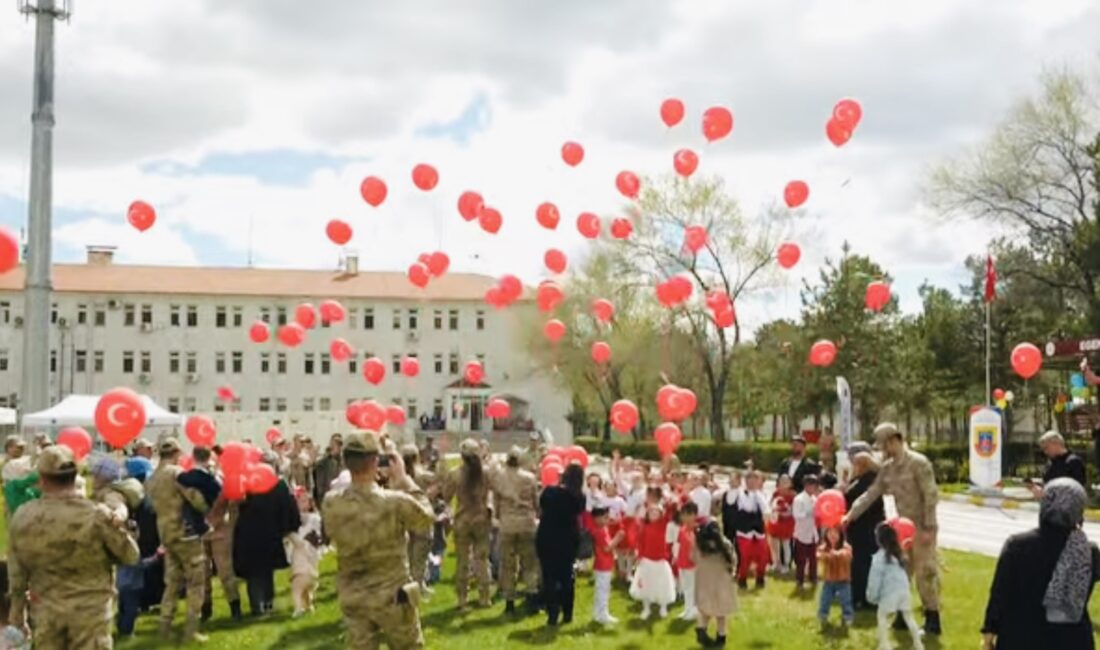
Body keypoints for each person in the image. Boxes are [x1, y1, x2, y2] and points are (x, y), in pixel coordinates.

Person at [8, 445, 140, 647]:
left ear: (41, 478)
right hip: (91, 617)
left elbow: (16, 576)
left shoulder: (23, 516)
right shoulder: (97, 515)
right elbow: (130, 556)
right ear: (76, 475)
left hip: (46, 614)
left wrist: (18, 616)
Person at [323, 431, 435, 649]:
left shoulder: (331, 502)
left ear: (346, 462)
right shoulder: (394, 502)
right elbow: (426, 518)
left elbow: (330, 531)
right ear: (376, 461)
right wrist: (404, 480)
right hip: (392, 595)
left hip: (354, 594)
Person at [844, 422, 942, 635]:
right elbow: (871, 494)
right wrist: (850, 515)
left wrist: (929, 528)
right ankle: (902, 616)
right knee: (900, 573)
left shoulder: (918, 463)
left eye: (883, 445)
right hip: (902, 529)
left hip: (922, 525)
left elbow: (931, 496)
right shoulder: (888, 469)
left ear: (893, 441)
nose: (882, 451)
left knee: (925, 573)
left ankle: (932, 618)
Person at [981, 478, 1100, 649]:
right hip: (1072, 640)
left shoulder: (1017, 545)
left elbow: (1000, 593)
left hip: (1020, 637)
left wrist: (989, 631)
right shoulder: (1088, 551)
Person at [147, 438, 210, 643]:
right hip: (186, 532)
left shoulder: (152, 478)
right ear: (176, 453)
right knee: (196, 581)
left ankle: (164, 628)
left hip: (166, 533)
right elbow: (196, 499)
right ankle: (191, 630)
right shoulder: (177, 474)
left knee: (172, 582)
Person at [233, 452, 301, 616]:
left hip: (248, 533)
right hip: (270, 533)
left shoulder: (246, 483)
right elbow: (289, 508)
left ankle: (259, 606)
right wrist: (289, 528)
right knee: (265, 570)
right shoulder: (279, 484)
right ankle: (266, 604)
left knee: (255, 571)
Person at [441, 438, 493, 610]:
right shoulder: (486, 472)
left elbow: (446, 496)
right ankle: (484, 598)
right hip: (481, 519)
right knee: (482, 560)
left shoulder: (455, 473)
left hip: (462, 520)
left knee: (462, 562)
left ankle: (462, 600)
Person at [489, 446, 540, 616]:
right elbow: (535, 501)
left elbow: (495, 501)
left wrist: (498, 516)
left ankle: (509, 601)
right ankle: (532, 597)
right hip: (526, 523)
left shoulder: (499, 478)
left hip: (507, 524)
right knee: (529, 563)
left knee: (508, 564)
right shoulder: (530, 478)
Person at [536, 463, 586, 626]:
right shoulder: (579, 496)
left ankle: (552, 612)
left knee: (549, 576)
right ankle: (568, 612)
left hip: (548, 537)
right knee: (567, 577)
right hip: (568, 539)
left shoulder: (550, 492)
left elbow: (542, 504)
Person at [867, 523, 924, 650]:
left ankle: (884, 645)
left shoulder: (878, 558)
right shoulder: (899, 555)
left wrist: (872, 596)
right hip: (904, 592)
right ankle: (918, 643)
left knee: (882, 617)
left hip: (889, 594)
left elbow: (874, 580)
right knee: (909, 617)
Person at [844, 451, 885, 610]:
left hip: (866, 529)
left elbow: (860, 501)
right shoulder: (859, 479)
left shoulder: (870, 482)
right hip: (858, 528)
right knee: (858, 564)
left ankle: (863, 598)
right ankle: (859, 596)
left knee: (863, 564)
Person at [692, 520, 737, 648]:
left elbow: (693, 558)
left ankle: (701, 630)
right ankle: (721, 638)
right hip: (721, 583)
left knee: (704, 610)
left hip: (704, 581)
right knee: (721, 614)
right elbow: (733, 560)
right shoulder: (725, 544)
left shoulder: (700, 545)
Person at [630, 500, 678, 620]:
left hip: (661, 560)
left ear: (661, 514)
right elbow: (640, 543)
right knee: (645, 585)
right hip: (647, 560)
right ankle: (646, 608)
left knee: (662, 584)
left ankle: (663, 606)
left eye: (657, 512)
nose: (654, 514)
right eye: (651, 512)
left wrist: (669, 499)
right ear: (647, 514)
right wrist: (639, 556)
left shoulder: (664, 524)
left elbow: (672, 509)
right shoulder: (644, 526)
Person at [402, 444, 438, 592]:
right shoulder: (422, 474)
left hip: (406, 518)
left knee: (408, 555)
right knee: (420, 557)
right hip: (421, 518)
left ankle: (409, 585)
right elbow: (439, 480)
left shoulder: (401, 477)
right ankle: (418, 586)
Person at [733, 471, 770, 589]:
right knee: (745, 557)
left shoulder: (762, 494)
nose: (752, 482)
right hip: (744, 529)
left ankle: (760, 577)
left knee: (763, 555)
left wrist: (766, 513)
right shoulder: (740, 493)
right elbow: (747, 507)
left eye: (755, 479)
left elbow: (766, 509)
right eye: (750, 479)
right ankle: (742, 579)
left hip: (758, 528)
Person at [289, 491, 323, 618]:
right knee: (305, 586)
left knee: (297, 586)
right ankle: (308, 606)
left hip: (306, 555)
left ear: (309, 503)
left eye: (303, 501)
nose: (300, 504)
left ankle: (298, 608)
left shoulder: (313, 518)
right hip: (302, 556)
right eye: (298, 501)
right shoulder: (294, 519)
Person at [588, 506, 623, 625]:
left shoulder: (601, 529)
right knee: (603, 590)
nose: (608, 519)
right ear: (597, 518)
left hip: (602, 565)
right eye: (605, 517)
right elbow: (607, 548)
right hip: (603, 565)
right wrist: (617, 538)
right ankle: (603, 614)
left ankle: (598, 613)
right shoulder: (601, 531)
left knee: (601, 589)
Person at [817, 526, 854, 628]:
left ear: (841, 535)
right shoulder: (823, 548)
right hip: (828, 580)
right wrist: (828, 555)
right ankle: (822, 615)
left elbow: (847, 556)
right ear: (826, 535)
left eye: (835, 533)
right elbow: (819, 555)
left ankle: (847, 617)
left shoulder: (846, 547)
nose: (832, 535)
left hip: (843, 580)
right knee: (824, 599)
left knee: (845, 600)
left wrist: (836, 554)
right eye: (830, 532)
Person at [792, 474, 820, 589]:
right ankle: (800, 580)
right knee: (801, 559)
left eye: (814, 485)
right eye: (810, 485)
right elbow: (796, 515)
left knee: (813, 558)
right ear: (806, 486)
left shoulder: (815, 499)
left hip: (812, 531)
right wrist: (809, 512)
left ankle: (813, 578)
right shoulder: (799, 499)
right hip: (802, 532)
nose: (812, 488)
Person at [767, 474, 796, 575]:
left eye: (786, 481)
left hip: (787, 522)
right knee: (774, 543)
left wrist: (784, 514)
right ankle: (776, 562)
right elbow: (770, 504)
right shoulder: (776, 493)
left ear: (790, 483)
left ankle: (786, 564)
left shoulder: (792, 495)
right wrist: (773, 511)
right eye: (782, 481)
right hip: (775, 521)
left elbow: (792, 510)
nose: (784, 483)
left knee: (785, 543)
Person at [675, 502, 699, 621]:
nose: (683, 518)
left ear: (693, 515)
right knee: (685, 587)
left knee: (692, 587)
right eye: (682, 515)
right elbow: (679, 544)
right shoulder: (682, 529)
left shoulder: (697, 530)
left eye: (686, 515)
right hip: (682, 562)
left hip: (692, 564)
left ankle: (693, 610)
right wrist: (676, 557)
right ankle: (687, 609)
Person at [312, 433, 344, 506]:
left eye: (339, 445)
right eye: (334, 444)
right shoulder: (322, 463)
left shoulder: (345, 462)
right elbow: (319, 486)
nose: (337, 447)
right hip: (327, 500)